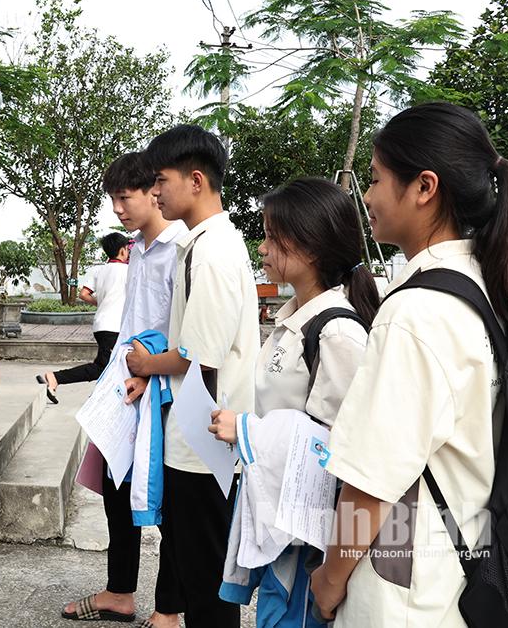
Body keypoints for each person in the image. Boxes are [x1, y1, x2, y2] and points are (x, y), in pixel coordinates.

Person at [308, 102, 508, 625]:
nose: (366, 197)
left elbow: (370, 484)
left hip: (402, 584)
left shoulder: (414, 311)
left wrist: (329, 580)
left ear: (424, 187)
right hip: (462, 562)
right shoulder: (482, 288)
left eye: (374, 179)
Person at [208, 178, 379, 626]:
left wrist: (247, 431)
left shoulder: (338, 333)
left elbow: (333, 449)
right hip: (283, 522)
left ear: (313, 247)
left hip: (308, 539)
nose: (262, 249)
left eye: (272, 236)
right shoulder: (295, 320)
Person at [125, 124, 260, 628]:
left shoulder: (214, 251)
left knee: (207, 586)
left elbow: (198, 356)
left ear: (196, 180)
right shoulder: (201, 244)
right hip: (197, 436)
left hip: (207, 445)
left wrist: (146, 364)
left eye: (160, 180)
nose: (155, 191)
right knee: (193, 566)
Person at [60, 151, 185, 623]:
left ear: (156, 191)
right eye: (113, 198)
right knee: (117, 492)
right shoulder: (140, 251)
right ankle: (119, 592)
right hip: (125, 388)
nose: (117, 208)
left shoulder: (181, 249)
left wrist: (148, 371)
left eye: (124, 196)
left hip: (162, 392)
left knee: (169, 502)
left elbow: (187, 335)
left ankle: (169, 610)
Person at [37, 231, 129, 403]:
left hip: (101, 325)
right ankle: (55, 377)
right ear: (123, 251)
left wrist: (102, 303)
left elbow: (84, 294)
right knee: (103, 367)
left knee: (113, 367)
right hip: (114, 327)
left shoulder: (99, 270)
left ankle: (103, 400)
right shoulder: (128, 271)